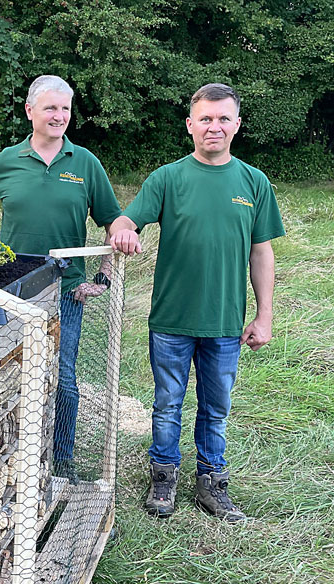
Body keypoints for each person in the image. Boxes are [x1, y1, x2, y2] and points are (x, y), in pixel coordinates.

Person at [109, 83, 285, 522]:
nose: (214, 126)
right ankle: (163, 476)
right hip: (171, 319)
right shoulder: (168, 178)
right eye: (205, 118)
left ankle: (212, 482)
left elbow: (261, 252)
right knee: (168, 402)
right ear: (190, 124)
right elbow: (129, 218)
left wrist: (263, 316)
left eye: (223, 118)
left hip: (226, 322)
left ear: (237, 125)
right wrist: (124, 230)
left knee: (216, 407)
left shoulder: (254, 182)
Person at [0, 75, 122, 480]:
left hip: (65, 292)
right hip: (12, 292)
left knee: (62, 379)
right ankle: (9, 459)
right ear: (30, 112)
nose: (58, 116)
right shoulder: (6, 161)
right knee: (7, 374)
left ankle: (61, 460)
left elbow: (115, 223)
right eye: (50, 108)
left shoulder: (85, 164)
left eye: (64, 109)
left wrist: (103, 277)